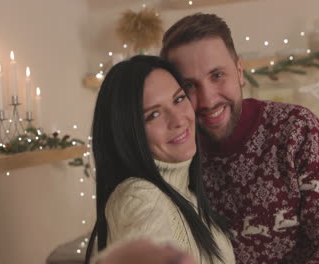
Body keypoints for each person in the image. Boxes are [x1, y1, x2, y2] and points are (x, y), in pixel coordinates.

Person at [160, 13, 319, 263]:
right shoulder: (178, 153)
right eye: (189, 85)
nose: (209, 99)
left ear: (239, 71)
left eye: (217, 76)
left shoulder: (297, 130)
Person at [84, 55, 235, 264]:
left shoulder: (186, 194)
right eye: (153, 115)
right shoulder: (140, 196)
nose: (178, 120)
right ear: (128, 133)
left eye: (179, 99)